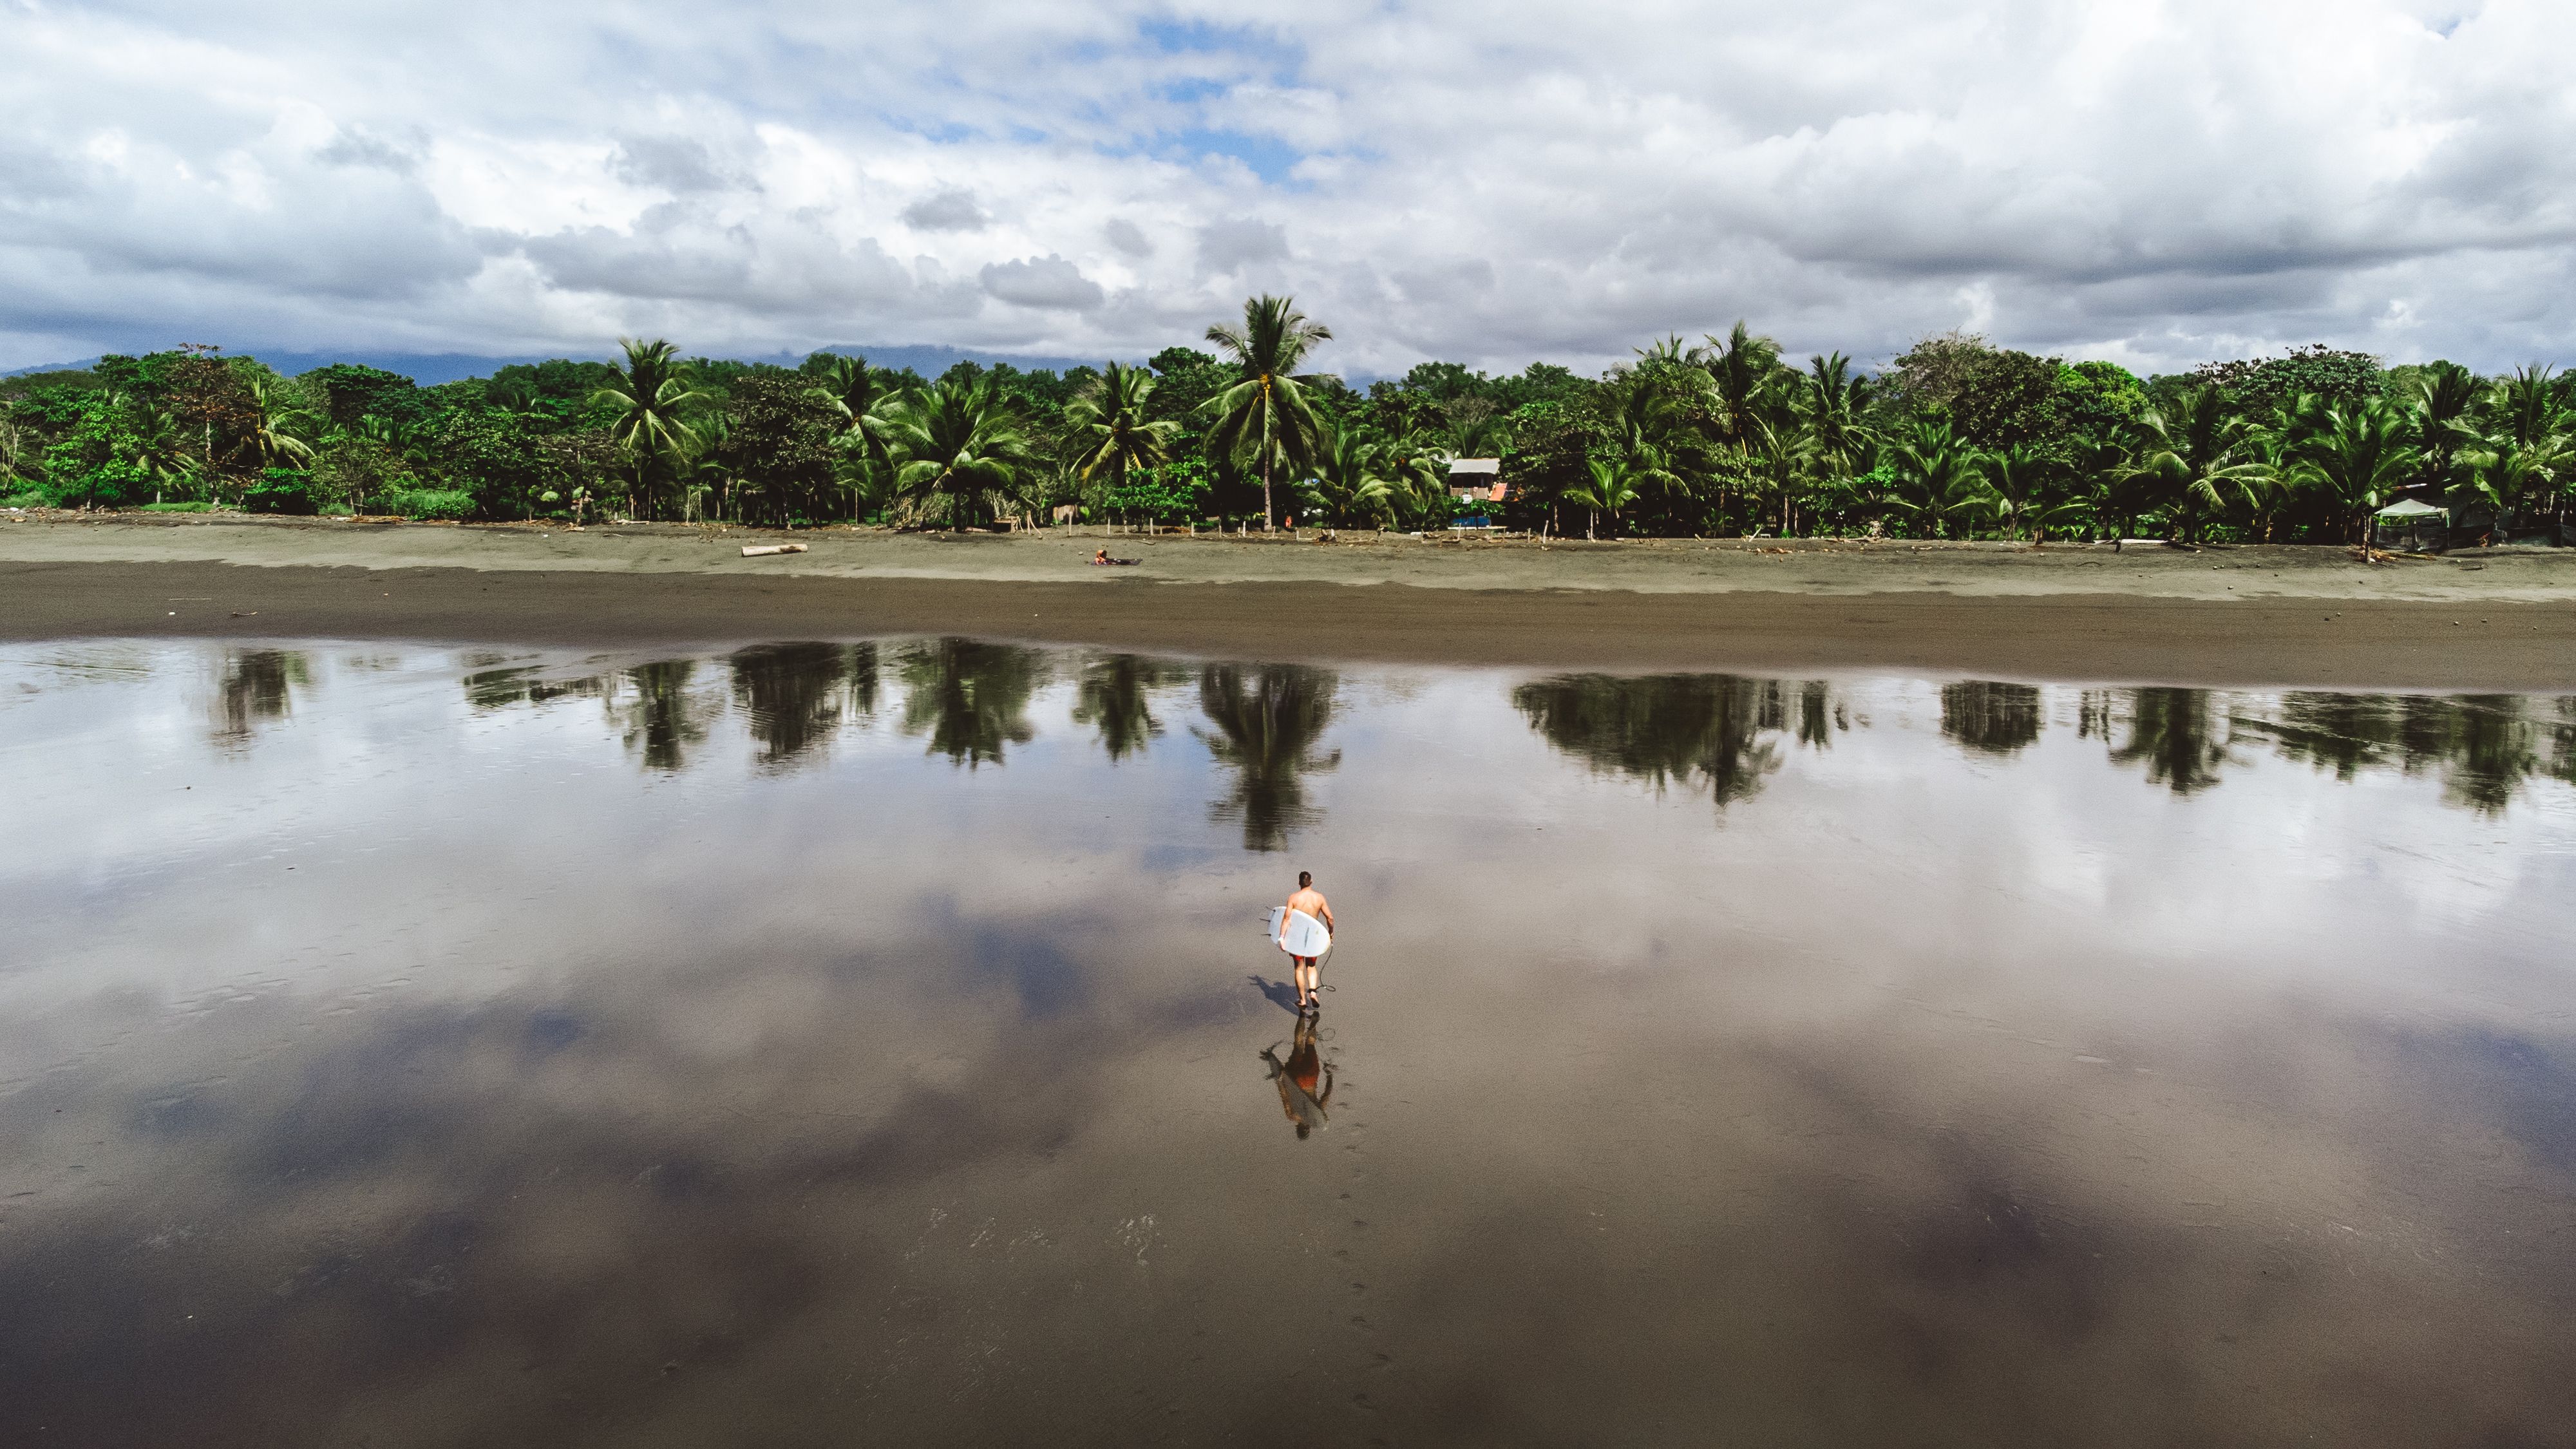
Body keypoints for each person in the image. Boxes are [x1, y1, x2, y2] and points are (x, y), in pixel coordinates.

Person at [1261, 1012, 1332, 1139]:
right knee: (1298, 1046)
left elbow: (1326, 1096)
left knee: (1310, 1044)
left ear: (1309, 1128)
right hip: (1296, 1079)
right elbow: (1284, 1094)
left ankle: (1312, 1026)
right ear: (1297, 1127)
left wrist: (1330, 1076)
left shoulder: (1314, 1116)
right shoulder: (1292, 1116)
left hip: (1311, 1078)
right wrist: (1279, 1075)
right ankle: (1302, 1014)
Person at [1277, 869, 1334, 1012]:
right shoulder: (1319, 898)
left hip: (1297, 938)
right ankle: (1313, 992)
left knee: (1299, 967)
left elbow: (1286, 919)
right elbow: (1330, 918)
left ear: (1299, 883)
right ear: (1312, 882)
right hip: (1312, 937)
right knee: (1311, 966)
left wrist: (1282, 938)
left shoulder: (1294, 898)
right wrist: (1330, 932)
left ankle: (1303, 1000)